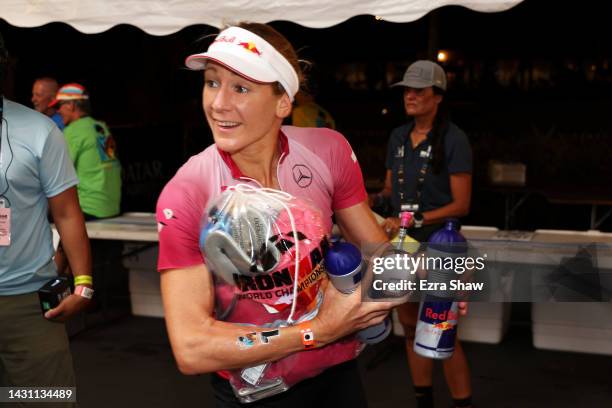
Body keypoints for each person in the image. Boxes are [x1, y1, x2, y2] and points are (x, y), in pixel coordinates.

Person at [156, 22, 399, 407]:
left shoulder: (327, 151)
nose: (218, 103)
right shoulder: (189, 192)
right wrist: (314, 332)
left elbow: (378, 252)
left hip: (338, 374)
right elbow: (191, 347)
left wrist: (435, 277)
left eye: (241, 87)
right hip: (256, 392)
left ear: (282, 102)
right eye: (212, 82)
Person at [0, 32, 93, 404]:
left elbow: (67, 212)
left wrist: (83, 282)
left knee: (41, 399)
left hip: (27, 305)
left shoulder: (39, 131)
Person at [376, 60, 473, 408]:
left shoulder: (454, 139)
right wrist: (371, 203)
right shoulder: (398, 136)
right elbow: (390, 189)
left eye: (419, 90)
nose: (411, 96)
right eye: (407, 89)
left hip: (441, 244)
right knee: (410, 326)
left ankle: (462, 402)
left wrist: (417, 219)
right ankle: (423, 400)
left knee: (442, 329)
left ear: (438, 96)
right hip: (403, 244)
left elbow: (461, 204)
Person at [51, 83, 122, 220]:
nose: (57, 111)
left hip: (88, 209)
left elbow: (55, 174)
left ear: (71, 105)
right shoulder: (101, 127)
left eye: (59, 106)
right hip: (112, 207)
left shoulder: (73, 131)